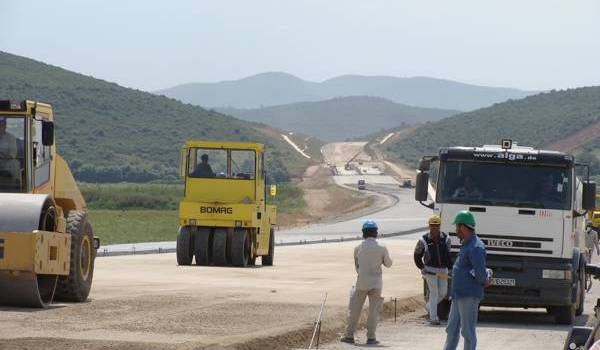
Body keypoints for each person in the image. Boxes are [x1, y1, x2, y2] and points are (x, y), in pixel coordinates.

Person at [340, 220, 393, 345]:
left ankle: (349, 335)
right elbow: (388, 264)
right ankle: (371, 337)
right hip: (377, 283)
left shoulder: (358, 248)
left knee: (355, 310)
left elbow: (357, 267)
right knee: (374, 311)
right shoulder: (382, 247)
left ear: (363, 233)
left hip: (362, 282)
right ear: (376, 233)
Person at [443, 210, 489, 350]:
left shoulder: (475, 247)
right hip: (458, 295)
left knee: (467, 331)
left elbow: (480, 272)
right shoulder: (467, 244)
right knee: (451, 329)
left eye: (457, 227)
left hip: (469, 295)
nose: (456, 230)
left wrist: (484, 280)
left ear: (463, 227)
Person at [414, 215, 452, 325]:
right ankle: (433, 318)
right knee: (434, 292)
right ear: (429, 226)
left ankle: (429, 306)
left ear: (440, 226)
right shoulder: (423, 240)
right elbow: (417, 256)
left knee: (443, 292)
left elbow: (448, 255)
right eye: (432, 226)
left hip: (443, 270)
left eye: (436, 225)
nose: (434, 228)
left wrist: (449, 268)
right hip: (430, 270)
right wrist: (422, 268)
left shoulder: (446, 238)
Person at [0, 117, 19, 185]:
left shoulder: (11, 137)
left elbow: (13, 154)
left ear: (5, 126)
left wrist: (4, 156)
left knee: (15, 163)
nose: (0, 127)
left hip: (6, 162)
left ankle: (15, 184)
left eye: (2, 125)